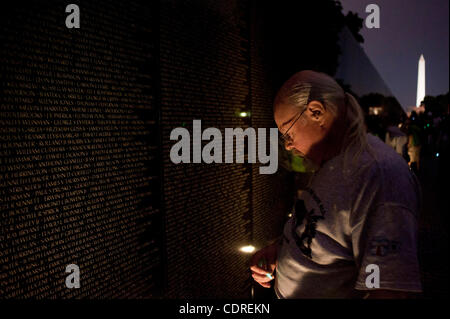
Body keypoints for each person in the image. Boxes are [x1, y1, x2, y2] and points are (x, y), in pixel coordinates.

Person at [249, 70, 422, 298]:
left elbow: (389, 290)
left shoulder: (378, 176)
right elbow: (324, 228)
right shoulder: (333, 162)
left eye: (287, 133)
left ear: (316, 112)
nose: (288, 146)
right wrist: (281, 250)